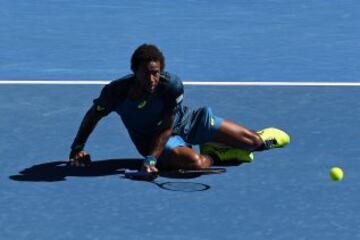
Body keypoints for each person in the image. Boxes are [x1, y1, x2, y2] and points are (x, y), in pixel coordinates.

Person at [69, 44, 290, 174]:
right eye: (147, 72)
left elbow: (167, 125)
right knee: (195, 163)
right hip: (152, 139)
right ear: (134, 71)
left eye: (157, 72)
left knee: (253, 143)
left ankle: (258, 140)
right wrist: (77, 148)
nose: (153, 78)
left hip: (184, 122)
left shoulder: (171, 85)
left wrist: (151, 161)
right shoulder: (115, 92)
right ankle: (216, 154)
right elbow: (93, 115)